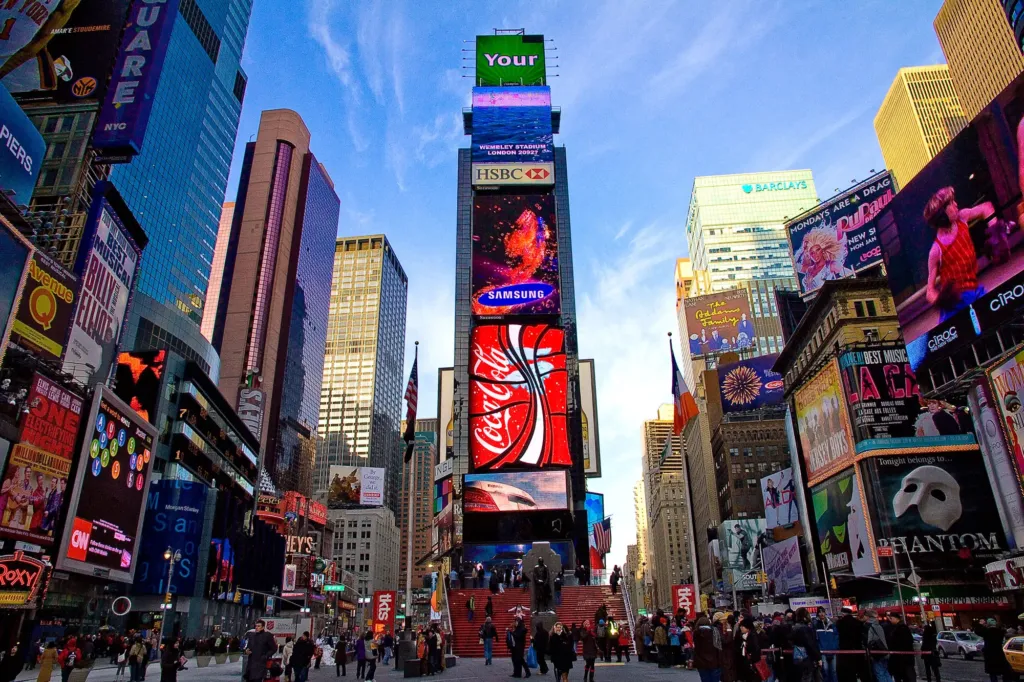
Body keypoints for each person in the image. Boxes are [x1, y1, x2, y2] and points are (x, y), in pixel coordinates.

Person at [922, 186, 1001, 321]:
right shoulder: (936, 250)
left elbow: (986, 208)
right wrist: (943, 302)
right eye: (951, 203)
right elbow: (930, 292)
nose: (956, 204)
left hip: (975, 291)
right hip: (955, 307)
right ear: (942, 215)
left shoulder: (962, 217)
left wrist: (997, 236)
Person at [791, 608, 823, 682]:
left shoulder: (794, 627)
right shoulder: (805, 629)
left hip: (798, 657)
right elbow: (810, 644)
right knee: (809, 677)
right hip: (807, 658)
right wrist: (818, 658)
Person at [977, 618, 1013, 682]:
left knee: (992, 673)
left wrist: (981, 625)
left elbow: (977, 631)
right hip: (999, 652)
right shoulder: (1000, 631)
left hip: (989, 654)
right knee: (1004, 670)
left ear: (988, 624)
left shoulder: (986, 631)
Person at [862, 610, 891, 682]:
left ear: (868, 617)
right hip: (885, 651)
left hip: (876, 653)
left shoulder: (867, 626)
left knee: (879, 673)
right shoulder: (881, 625)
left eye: (865, 616)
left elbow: (868, 641)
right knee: (886, 672)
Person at [885, 613, 914, 682]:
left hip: (902, 658)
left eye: (891, 618)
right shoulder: (897, 627)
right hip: (900, 657)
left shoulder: (901, 628)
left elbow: (906, 642)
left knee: (904, 676)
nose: (890, 620)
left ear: (896, 618)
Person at [693, 616, 722, 682]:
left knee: (705, 679)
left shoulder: (696, 633)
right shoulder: (715, 631)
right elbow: (718, 647)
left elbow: (696, 649)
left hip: (701, 662)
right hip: (715, 661)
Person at [716, 613, 736, 682]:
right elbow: (725, 641)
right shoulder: (719, 628)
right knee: (726, 671)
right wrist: (729, 630)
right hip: (725, 653)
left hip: (725, 653)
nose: (725, 621)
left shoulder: (720, 627)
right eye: (723, 620)